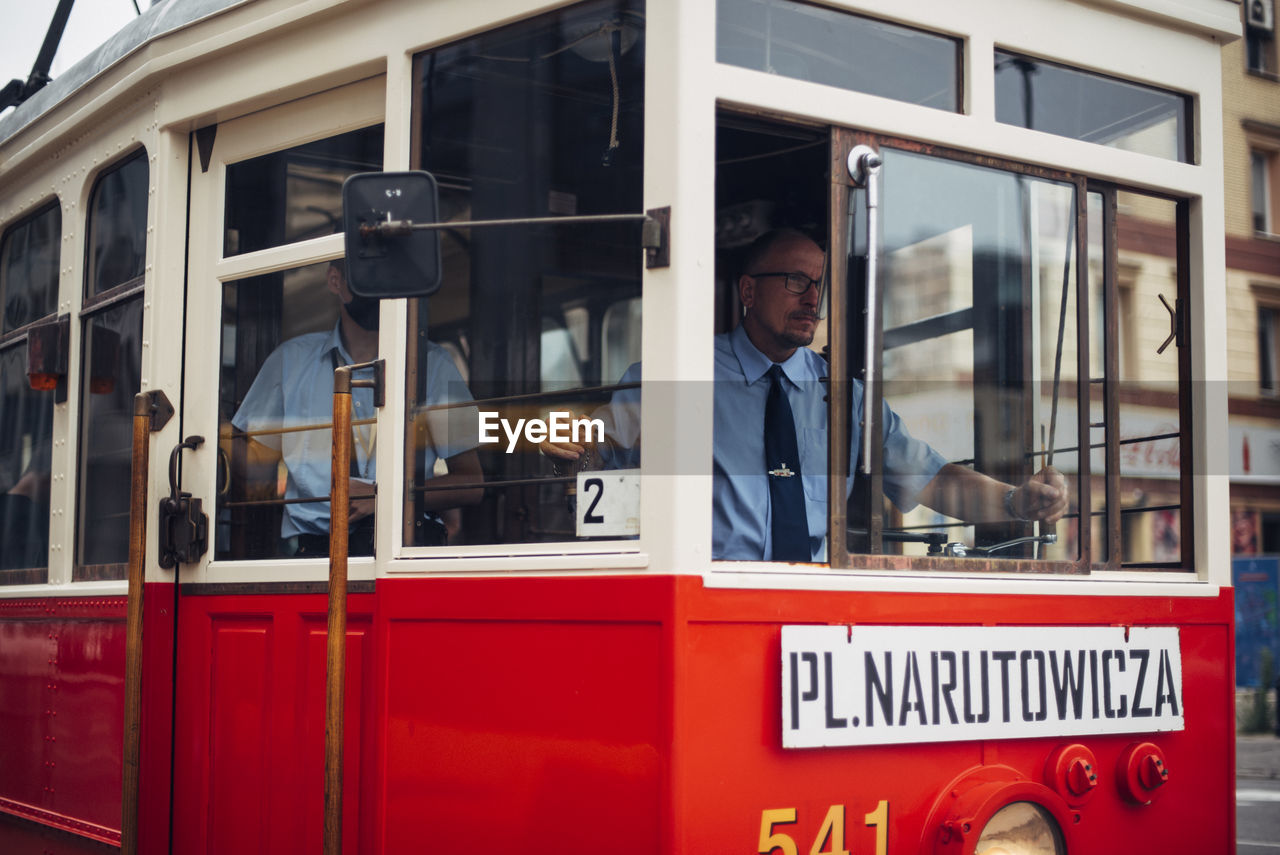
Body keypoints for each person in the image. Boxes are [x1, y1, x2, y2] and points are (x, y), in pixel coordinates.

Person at [543, 228, 1067, 561]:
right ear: (748, 292)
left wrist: (1015, 501)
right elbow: (594, 446)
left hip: (813, 602)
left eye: (820, 285)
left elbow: (930, 479)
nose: (813, 299)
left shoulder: (848, 400)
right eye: (796, 281)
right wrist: (559, 437)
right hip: (708, 595)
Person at [231, 260, 482, 556]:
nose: (379, 288)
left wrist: (385, 496)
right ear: (335, 280)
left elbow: (471, 483)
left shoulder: (434, 365)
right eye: (368, 273)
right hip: (315, 556)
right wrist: (220, 434)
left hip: (404, 551)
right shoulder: (290, 362)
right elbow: (253, 467)